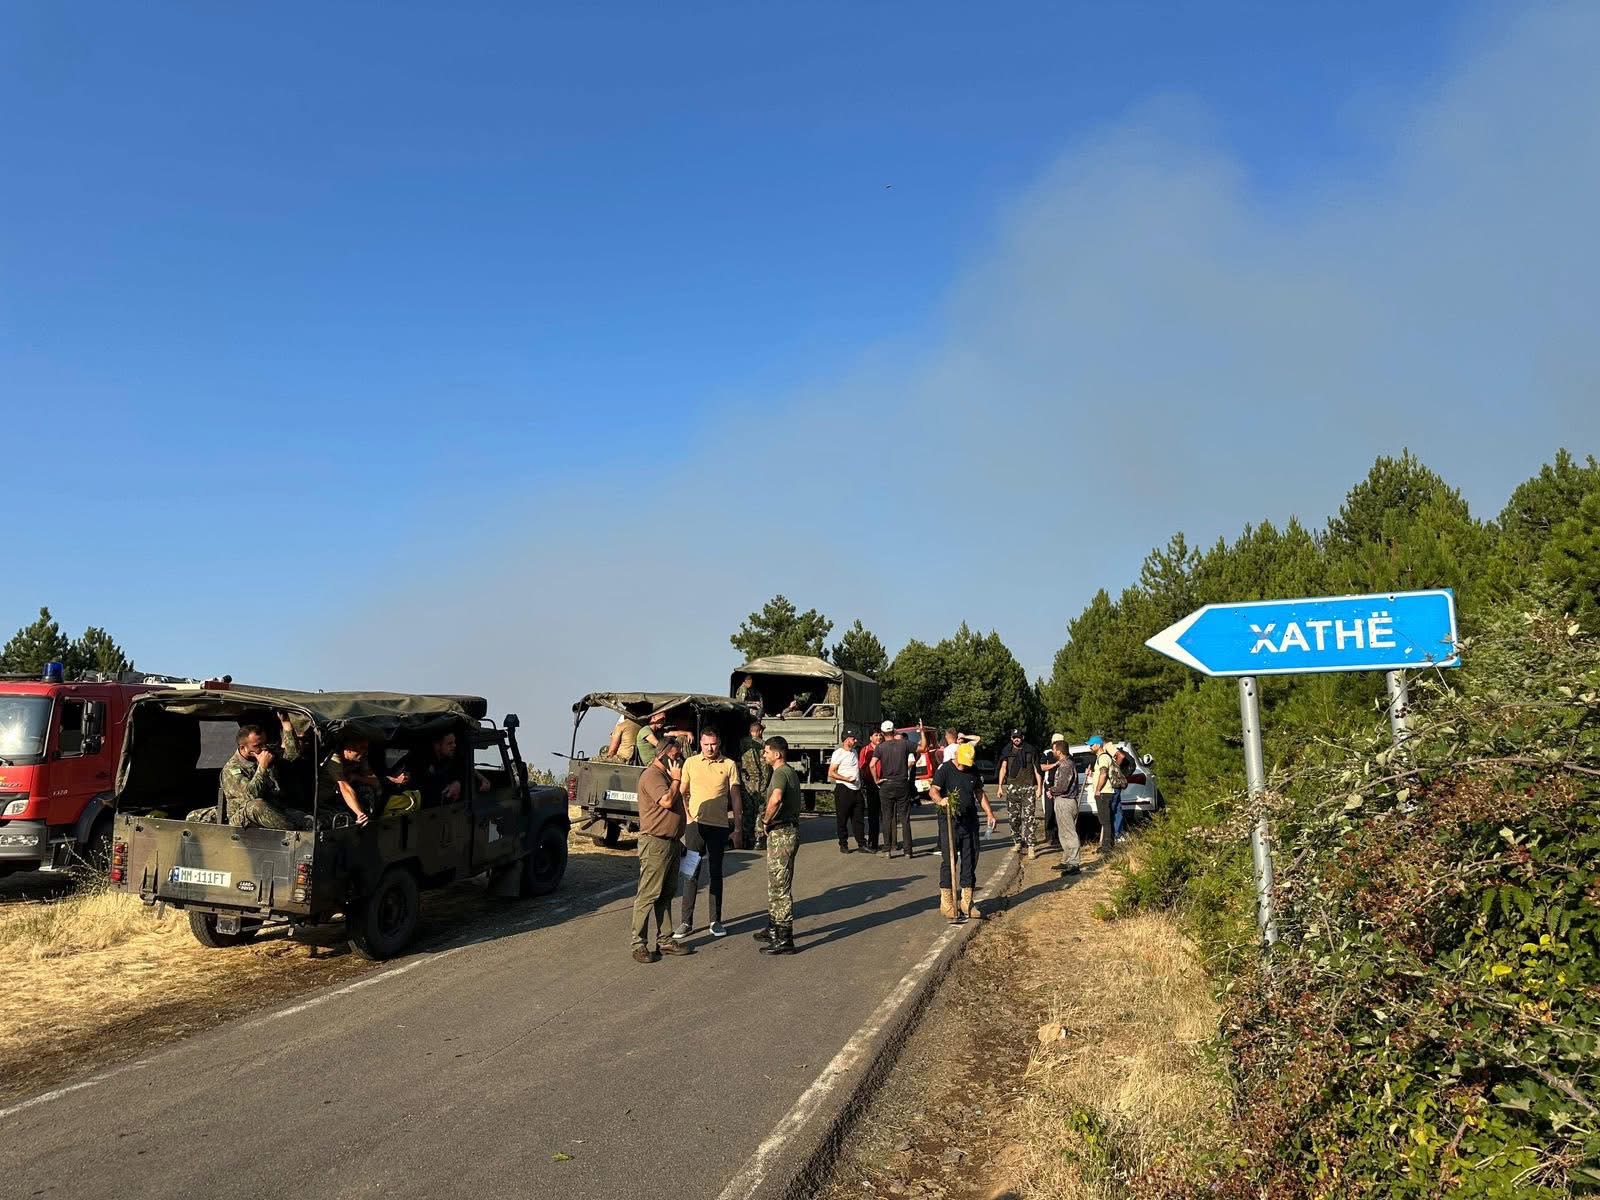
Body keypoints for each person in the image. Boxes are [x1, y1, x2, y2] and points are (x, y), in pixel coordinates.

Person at [674, 728, 743, 940]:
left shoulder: (729, 765)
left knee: (715, 873)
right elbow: (681, 791)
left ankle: (716, 920)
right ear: (700, 744)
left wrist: (738, 828)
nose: (710, 748)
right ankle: (686, 921)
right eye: (706, 744)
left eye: (713, 744)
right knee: (691, 873)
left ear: (719, 743)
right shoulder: (691, 763)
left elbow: (736, 797)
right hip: (695, 826)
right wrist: (687, 816)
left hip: (719, 827)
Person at [629, 736, 693, 963]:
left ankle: (665, 940)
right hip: (655, 844)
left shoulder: (665, 775)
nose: (679, 761)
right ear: (663, 755)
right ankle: (639, 944)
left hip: (671, 843)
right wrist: (676, 781)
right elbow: (666, 801)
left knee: (665, 894)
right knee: (648, 895)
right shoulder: (652, 776)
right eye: (675, 757)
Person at [930, 742, 996, 921]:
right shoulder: (945, 769)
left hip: (970, 821)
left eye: (968, 763)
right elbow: (933, 790)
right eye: (963, 762)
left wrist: (989, 813)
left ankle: (967, 901)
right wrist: (941, 801)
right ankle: (947, 901)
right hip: (950, 820)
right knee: (950, 858)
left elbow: (979, 793)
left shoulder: (973, 770)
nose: (964, 766)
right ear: (957, 756)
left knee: (971, 857)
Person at [754, 734, 802, 955]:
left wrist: (766, 819)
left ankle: (784, 938)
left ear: (777, 754)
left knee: (779, 887)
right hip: (786, 831)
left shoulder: (781, 773)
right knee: (776, 882)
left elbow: (776, 798)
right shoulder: (788, 771)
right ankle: (774, 927)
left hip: (782, 832)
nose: (764, 755)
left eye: (766, 751)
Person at [221, 715, 309, 829]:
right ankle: (295, 830)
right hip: (245, 815)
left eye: (264, 743)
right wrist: (262, 766)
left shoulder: (266, 752)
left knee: (311, 820)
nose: (263, 748)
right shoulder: (232, 769)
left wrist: (286, 723)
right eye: (257, 746)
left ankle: (303, 827)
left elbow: (292, 755)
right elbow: (251, 795)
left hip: (274, 809)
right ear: (243, 748)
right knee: (257, 805)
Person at [319, 732, 408, 826]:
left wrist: (356, 777)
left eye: (366, 748)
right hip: (325, 801)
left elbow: (374, 781)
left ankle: (370, 818)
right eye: (361, 748)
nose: (365, 752)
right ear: (349, 749)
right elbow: (344, 787)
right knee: (341, 820)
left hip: (340, 799)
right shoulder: (334, 759)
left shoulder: (360, 757)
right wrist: (359, 813)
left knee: (367, 789)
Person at [404, 730, 491, 806]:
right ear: (437, 745)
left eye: (454, 742)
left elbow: (466, 769)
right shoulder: (420, 762)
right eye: (450, 743)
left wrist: (459, 783)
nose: (454, 746)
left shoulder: (450, 760)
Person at [998, 728, 1044, 858]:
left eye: (1018, 736)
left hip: (1028, 788)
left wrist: (1039, 787)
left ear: (1022, 737)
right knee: (1014, 818)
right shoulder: (1007, 751)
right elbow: (1003, 768)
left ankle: (1031, 846)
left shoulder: (1030, 750)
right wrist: (1000, 786)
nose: (1016, 739)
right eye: (1014, 737)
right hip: (1012, 788)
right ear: (1011, 738)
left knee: (1029, 817)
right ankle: (1017, 841)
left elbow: (1037, 769)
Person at [872, 720, 914, 858]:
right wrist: (923, 733)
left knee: (887, 817)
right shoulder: (904, 744)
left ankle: (887, 849)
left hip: (887, 784)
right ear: (894, 730)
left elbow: (872, 765)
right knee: (905, 818)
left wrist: (877, 779)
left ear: (883, 733)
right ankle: (908, 851)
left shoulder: (880, 747)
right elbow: (923, 747)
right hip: (902, 783)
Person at [1046, 734, 1081, 875]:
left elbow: (1062, 786)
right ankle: (1066, 860)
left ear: (1059, 751)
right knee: (1063, 833)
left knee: (1069, 833)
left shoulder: (1066, 765)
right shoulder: (1063, 764)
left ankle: (1074, 863)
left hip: (1066, 801)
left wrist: (1051, 790)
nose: (1052, 752)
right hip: (1061, 801)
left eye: (1054, 750)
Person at [827, 731, 866, 853]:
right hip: (844, 789)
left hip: (856, 789)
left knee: (858, 818)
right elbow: (831, 772)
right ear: (847, 739)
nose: (855, 741)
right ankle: (843, 845)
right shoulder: (838, 753)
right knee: (842, 819)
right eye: (853, 739)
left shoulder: (854, 752)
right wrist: (846, 779)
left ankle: (862, 844)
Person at [738, 717, 772, 851]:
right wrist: (766, 782)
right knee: (760, 810)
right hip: (759, 781)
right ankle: (758, 838)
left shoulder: (742, 743)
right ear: (759, 731)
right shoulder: (763, 745)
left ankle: (747, 838)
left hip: (746, 781)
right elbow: (765, 767)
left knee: (747, 810)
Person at [1088, 735, 1118, 853]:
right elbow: (1100, 774)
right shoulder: (1100, 758)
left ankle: (1107, 846)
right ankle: (1106, 844)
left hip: (1104, 793)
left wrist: (1098, 790)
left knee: (1105, 820)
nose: (1090, 747)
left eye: (1091, 745)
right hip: (1103, 792)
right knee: (1104, 819)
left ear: (1098, 745)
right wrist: (1092, 774)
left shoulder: (1103, 757)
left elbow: (1104, 774)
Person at [859, 727, 884, 853]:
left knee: (886, 815)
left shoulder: (885, 748)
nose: (878, 737)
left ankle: (889, 843)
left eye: (880, 735)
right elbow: (862, 768)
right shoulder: (865, 750)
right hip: (871, 785)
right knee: (873, 815)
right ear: (870, 738)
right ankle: (873, 842)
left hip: (884, 784)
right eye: (876, 735)